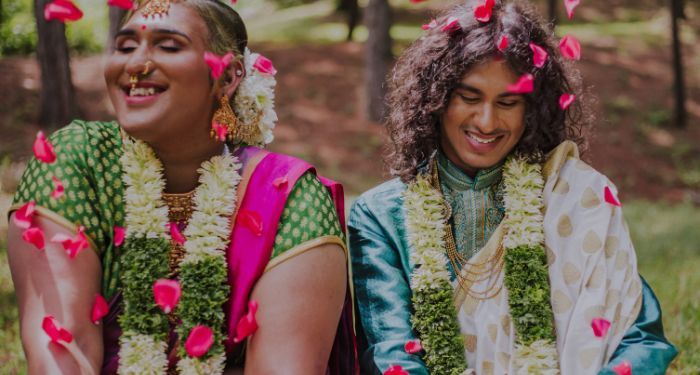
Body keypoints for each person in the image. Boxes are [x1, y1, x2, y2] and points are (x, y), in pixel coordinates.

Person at [7, 0, 356, 374]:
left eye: (168, 46)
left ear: (229, 75)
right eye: (124, 46)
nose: (135, 65)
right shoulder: (79, 161)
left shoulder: (288, 198)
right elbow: (61, 356)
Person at [348, 1, 677, 374]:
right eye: (469, 98)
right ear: (435, 100)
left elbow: (641, 338)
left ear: (533, 109)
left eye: (508, 102)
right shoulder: (381, 215)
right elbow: (393, 355)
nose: (486, 122)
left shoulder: (572, 197)